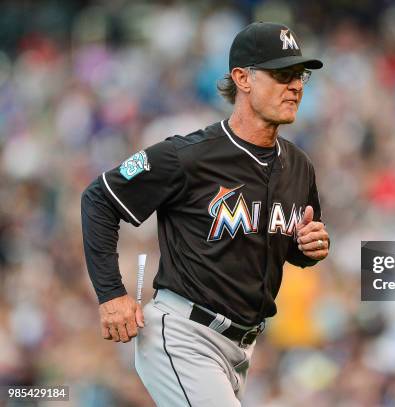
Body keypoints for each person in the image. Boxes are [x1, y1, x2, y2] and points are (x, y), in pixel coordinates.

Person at [81, 21, 329, 406]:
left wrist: (309, 247)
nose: (295, 85)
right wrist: (111, 293)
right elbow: (99, 198)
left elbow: (287, 245)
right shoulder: (188, 155)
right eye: (282, 74)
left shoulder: (299, 166)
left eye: (300, 75)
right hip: (184, 335)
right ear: (242, 78)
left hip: (241, 349)